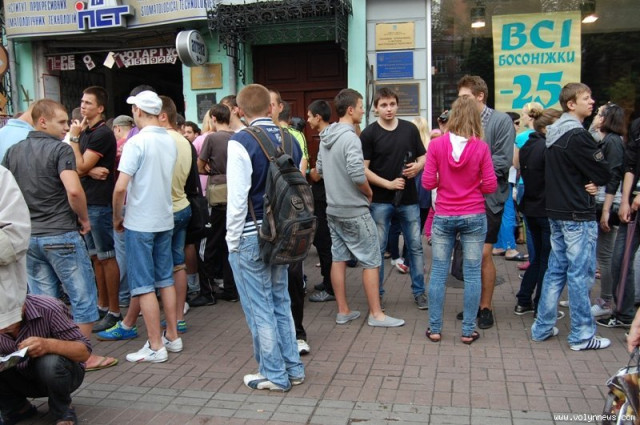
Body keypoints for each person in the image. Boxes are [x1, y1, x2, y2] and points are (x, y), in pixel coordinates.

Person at [2, 99, 117, 372]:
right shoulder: (60, 149)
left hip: (27, 237)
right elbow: (74, 190)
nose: (68, 127)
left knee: (43, 302)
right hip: (61, 233)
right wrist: (84, 219)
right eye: (62, 122)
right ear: (43, 122)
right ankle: (83, 355)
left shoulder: (13, 151)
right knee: (82, 296)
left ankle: (48, 359)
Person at [226, 84, 305, 391]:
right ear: (271, 108)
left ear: (239, 111)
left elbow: (237, 198)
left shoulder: (240, 141)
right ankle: (293, 368)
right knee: (280, 301)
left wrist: (232, 240)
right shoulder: (290, 138)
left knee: (259, 307)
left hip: (251, 231)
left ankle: (273, 373)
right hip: (285, 230)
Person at [530, 83, 611, 351]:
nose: (592, 101)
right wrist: (593, 180)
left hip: (557, 211)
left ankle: (542, 327)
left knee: (556, 270)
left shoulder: (553, 134)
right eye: (586, 98)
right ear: (571, 104)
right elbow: (603, 172)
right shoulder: (577, 135)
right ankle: (582, 335)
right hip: (577, 212)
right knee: (580, 274)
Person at [316, 88, 404, 328]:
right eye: (361, 106)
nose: (364, 111)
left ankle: (343, 311)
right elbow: (357, 174)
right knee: (372, 260)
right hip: (354, 209)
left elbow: (320, 170)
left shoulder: (326, 136)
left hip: (333, 209)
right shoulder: (351, 138)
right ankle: (376, 314)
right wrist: (369, 192)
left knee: (338, 258)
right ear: (350, 109)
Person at [113, 90, 182, 363]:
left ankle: (155, 345)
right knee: (165, 279)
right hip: (164, 217)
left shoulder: (136, 142)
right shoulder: (170, 140)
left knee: (142, 285)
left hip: (140, 220)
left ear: (138, 111)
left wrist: (116, 216)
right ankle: (172, 336)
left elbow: (120, 187)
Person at [422, 96, 497, 344]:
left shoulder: (436, 145)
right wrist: (473, 185)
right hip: (473, 213)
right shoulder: (481, 147)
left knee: (438, 272)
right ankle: (467, 331)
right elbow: (491, 185)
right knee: (473, 273)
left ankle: (435, 328)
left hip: (444, 213)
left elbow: (427, 183)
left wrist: (445, 182)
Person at [456, 75, 515, 329]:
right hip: (463, 199)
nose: (460, 102)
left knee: (483, 254)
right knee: (470, 256)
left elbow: (503, 161)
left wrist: (471, 170)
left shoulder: (501, 121)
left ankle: (486, 306)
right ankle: (473, 304)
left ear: (480, 96)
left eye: (465, 97)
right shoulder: (461, 122)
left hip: (489, 199)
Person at [360, 87, 428, 310]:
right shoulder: (369, 133)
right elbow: (363, 169)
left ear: (397, 105)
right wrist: (388, 184)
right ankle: (377, 294)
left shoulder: (409, 129)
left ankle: (419, 292)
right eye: (383, 105)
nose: (388, 109)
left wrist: (418, 166)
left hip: (409, 199)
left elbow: (424, 156)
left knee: (415, 246)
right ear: (376, 108)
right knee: (378, 249)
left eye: (392, 104)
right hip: (380, 200)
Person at [68, 86, 121, 333]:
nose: (83, 106)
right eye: (82, 101)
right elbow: (71, 165)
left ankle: (114, 311)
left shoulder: (101, 134)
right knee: (95, 258)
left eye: (88, 102)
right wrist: (88, 171)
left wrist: (74, 142)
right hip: (86, 202)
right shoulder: (84, 132)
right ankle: (102, 305)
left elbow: (78, 166)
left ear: (100, 108)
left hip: (100, 203)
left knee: (107, 257)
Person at [269, 91, 310, 356]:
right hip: (263, 221)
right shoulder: (248, 139)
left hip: (290, 217)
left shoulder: (291, 138)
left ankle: (298, 333)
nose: (267, 109)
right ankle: (274, 336)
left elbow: (300, 175)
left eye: (271, 104)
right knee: (268, 280)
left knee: (293, 276)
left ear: (278, 107)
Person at [514, 108, 562, 316]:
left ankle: (524, 300)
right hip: (545, 208)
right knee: (546, 260)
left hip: (531, 207)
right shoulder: (548, 147)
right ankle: (541, 305)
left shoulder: (528, 144)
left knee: (539, 258)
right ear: (547, 127)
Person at [193, 103, 238, 306]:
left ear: (213, 118)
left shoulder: (211, 138)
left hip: (217, 193)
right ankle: (231, 288)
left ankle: (207, 291)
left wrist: (210, 169)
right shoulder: (238, 136)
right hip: (235, 193)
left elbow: (200, 166)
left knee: (208, 243)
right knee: (231, 242)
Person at [599, 103, 633, 327]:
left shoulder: (612, 142)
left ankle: (607, 301)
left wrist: (606, 208)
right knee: (608, 255)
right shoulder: (612, 140)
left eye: (600, 113)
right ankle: (609, 301)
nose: (597, 116)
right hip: (609, 202)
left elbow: (613, 176)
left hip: (610, 203)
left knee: (608, 255)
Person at [307, 100, 336, 303]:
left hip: (325, 198)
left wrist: (309, 171)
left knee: (325, 243)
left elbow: (318, 174)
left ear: (318, 117)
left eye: (310, 116)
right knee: (322, 241)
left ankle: (331, 287)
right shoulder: (327, 137)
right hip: (323, 198)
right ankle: (328, 280)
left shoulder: (327, 139)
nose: (308, 120)